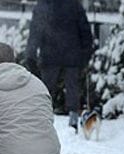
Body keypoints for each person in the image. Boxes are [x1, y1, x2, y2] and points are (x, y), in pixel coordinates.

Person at [25, 0, 93, 133]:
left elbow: (36, 30)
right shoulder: (74, 4)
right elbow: (84, 29)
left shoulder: (44, 5)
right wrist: (87, 52)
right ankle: (73, 120)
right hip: (72, 52)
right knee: (72, 88)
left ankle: (41, 120)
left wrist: (31, 53)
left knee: (45, 89)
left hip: (50, 53)